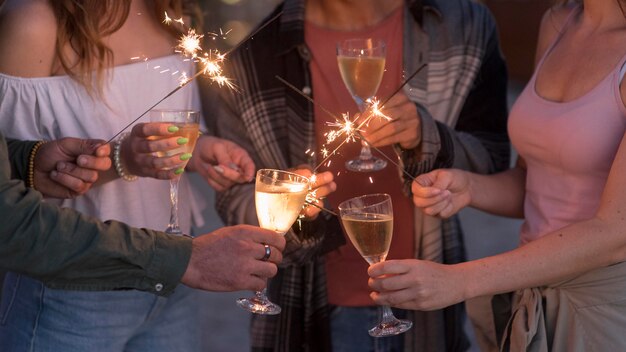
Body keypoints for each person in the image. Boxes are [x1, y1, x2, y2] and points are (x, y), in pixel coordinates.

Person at [203, 0, 510, 350]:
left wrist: (427, 136)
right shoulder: (252, 57)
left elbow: (493, 161)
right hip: (308, 309)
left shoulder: (463, 25)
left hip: (431, 299)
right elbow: (234, 197)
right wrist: (295, 215)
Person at [368, 0, 626, 350]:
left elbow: (615, 233)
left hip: (604, 308)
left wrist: (460, 281)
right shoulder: (558, 23)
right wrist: (469, 188)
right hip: (531, 293)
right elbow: (536, 184)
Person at [0, 0, 252, 350]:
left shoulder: (171, 10)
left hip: (178, 275)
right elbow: (15, 191)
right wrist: (123, 160)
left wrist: (195, 149)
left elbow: (167, 121)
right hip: (73, 293)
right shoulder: (34, 21)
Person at [1, 133, 285, 295]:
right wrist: (184, 259)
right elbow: (10, 225)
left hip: (168, 290)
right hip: (77, 288)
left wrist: (27, 161)